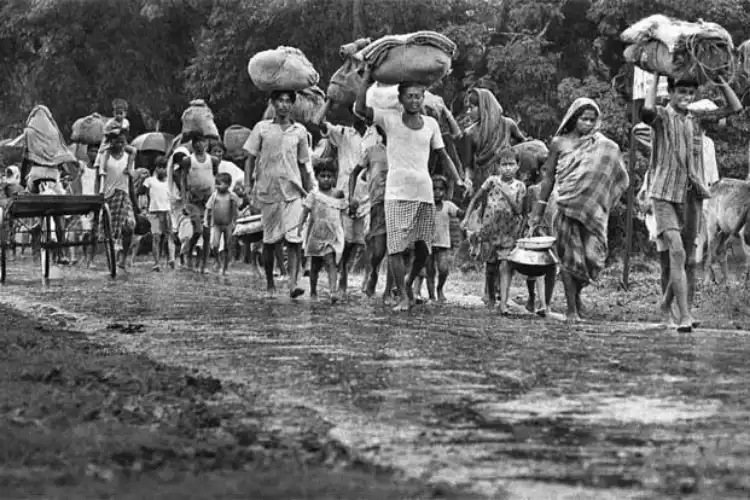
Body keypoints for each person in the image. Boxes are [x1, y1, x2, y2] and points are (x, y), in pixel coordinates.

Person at [355, 67, 466, 312]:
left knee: (423, 248)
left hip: (423, 192)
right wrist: (366, 79)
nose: (414, 100)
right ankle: (404, 296)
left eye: (418, 96)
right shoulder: (389, 118)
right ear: (401, 99)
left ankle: (406, 281)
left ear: (423, 98)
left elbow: (442, 154)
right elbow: (360, 110)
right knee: (396, 245)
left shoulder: (431, 124)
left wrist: (457, 178)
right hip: (396, 192)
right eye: (410, 96)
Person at [641, 77, 741, 331]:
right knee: (676, 251)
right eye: (681, 91)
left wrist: (718, 79)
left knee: (688, 260)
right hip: (663, 193)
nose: (685, 96)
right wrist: (654, 77)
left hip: (692, 194)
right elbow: (647, 110)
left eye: (690, 92)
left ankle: (666, 304)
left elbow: (735, 107)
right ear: (671, 92)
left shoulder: (697, 118)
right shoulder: (662, 116)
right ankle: (684, 315)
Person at [529, 97, 629, 322]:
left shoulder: (603, 145)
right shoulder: (558, 143)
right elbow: (548, 179)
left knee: (593, 259)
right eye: (584, 119)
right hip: (564, 207)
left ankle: (577, 294)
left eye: (593, 120)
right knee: (568, 259)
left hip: (592, 213)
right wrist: (537, 211)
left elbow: (614, 169)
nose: (588, 124)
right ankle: (572, 309)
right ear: (574, 119)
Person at [243, 90, 310, 298]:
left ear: (292, 105)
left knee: (294, 239)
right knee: (270, 241)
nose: (283, 105)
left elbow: (302, 163)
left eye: (288, 101)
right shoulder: (262, 128)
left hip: (293, 191)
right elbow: (249, 159)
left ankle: (293, 283)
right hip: (268, 190)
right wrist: (247, 185)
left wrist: (310, 193)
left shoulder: (300, 131)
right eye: (280, 101)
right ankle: (270, 283)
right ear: (273, 103)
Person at [463, 148, 526, 313]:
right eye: (504, 164)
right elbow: (477, 197)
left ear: (517, 166)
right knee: (491, 267)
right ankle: (490, 297)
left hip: (509, 232)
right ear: (498, 166)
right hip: (489, 231)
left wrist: (506, 192)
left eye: (511, 164)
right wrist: (467, 217)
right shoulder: (491, 181)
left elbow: (519, 210)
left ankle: (503, 303)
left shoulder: (520, 186)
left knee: (505, 266)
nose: (507, 168)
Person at [317, 111, 370, 296]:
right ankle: (343, 277)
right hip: (345, 195)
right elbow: (320, 123)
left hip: (369, 196)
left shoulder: (377, 134)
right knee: (345, 242)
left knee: (367, 241)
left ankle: (368, 281)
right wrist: (331, 102)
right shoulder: (343, 133)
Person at [349, 125, 392, 300]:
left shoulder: (404, 150)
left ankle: (389, 290)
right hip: (378, 203)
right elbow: (354, 173)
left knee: (395, 250)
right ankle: (373, 272)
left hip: (398, 201)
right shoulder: (372, 151)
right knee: (379, 250)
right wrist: (351, 197)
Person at [298, 158, 347, 303]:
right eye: (322, 176)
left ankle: (333, 291)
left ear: (334, 178)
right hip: (316, 235)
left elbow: (345, 210)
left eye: (329, 176)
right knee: (315, 266)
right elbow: (305, 211)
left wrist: (353, 209)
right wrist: (300, 226)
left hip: (332, 235)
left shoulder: (337, 195)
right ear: (317, 177)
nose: (326, 179)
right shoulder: (313, 195)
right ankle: (313, 290)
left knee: (331, 262)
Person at [460, 88, 528, 191]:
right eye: (467, 108)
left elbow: (524, 146)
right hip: (484, 183)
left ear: (484, 107)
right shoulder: (470, 133)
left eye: (472, 107)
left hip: (510, 182)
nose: (468, 112)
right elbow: (469, 166)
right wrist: (468, 180)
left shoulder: (507, 124)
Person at [95, 128, 137, 269]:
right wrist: (97, 196)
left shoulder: (128, 157)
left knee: (130, 225)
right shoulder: (104, 156)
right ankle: (111, 258)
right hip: (108, 196)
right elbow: (98, 178)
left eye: (122, 142)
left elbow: (130, 181)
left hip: (124, 195)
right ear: (111, 141)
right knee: (109, 232)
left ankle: (123, 257)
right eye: (117, 141)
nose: (120, 144)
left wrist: (135, 202)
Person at [179, 132, 219, 273]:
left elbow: (216, 178)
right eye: (196, 142)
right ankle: (189, 250)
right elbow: (183, 181)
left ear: (206, 144)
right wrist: (184, 202)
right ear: (193, 144)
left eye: (202, 142)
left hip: (208, 200)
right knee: (198, 230)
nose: (199, 145)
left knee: (207, 233)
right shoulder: (188, 160)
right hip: (194, 200)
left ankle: (203, 264)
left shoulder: (213, 160)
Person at [426, 175, 464, 302]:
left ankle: (439, 288)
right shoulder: (426, 205)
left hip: (443, 244)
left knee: (443, 269)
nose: (437, 192)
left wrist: (469, 213)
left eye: (441, 189)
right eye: (434, 189)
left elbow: (460, 213)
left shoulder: (448, 205)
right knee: (429, 271)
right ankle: (432, 296)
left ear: (445, 191)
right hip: (427, 244)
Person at [204, 172, 244, 275]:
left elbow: (240, 204)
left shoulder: (231, 195)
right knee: (215, 244)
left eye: (219, 183)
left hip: (228, 224)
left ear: (228, 185)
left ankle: (225, 267)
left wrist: (239, 198)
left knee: (228, 245)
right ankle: (217, 261)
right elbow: (208, 208)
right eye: (216, 183)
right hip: (216, 224)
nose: (217, 186)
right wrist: (206, 221)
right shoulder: (214, 195)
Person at [142, 166, 175, 271]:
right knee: (156, 237)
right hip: (154, 212)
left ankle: (171, 259)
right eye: (159, 167)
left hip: (166, 211)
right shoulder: (149, 180)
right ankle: (156, 263)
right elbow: (142, 191)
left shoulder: (170, 181)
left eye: (164, 167)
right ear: (156, 169)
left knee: (168, 236)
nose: (162, 170)